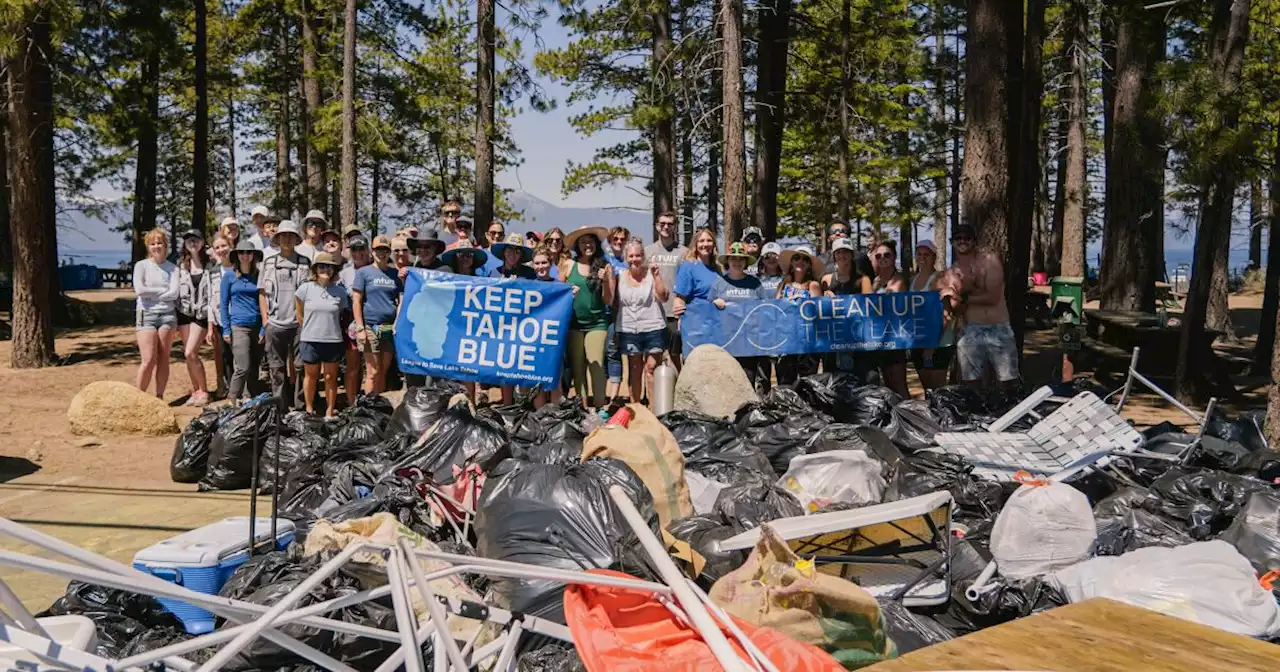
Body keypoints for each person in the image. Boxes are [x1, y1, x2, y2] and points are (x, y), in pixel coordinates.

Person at [948, 224, 1019, 389]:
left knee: (1008, 381)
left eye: (967, 238)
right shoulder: (952, 271)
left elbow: (992, 297)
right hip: (970, 329)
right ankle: (976, 413)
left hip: (998, 327)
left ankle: (1013, 411)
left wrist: (964, 296)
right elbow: (955, 306)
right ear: (952, 242)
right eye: (958, 238)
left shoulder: (989, 261)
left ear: (974, 241)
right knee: (970, 383)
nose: (962, 241)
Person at [561, 226, 615, 409]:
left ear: (596, 244)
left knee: (596, 364)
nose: (587, 245)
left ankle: (600, 407)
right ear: (578, 245)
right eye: (583, 242)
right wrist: (569, 294)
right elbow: (557, 294)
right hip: (574, 324)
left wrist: (606, 281)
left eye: (590, 241)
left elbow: (608, 299)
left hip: (597, 324)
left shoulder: (605, 267)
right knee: (577, 368)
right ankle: (582, 407)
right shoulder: (568, 265)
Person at [259, 220, 311, 404]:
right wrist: (265, 320)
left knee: (300, 366)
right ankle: (279, 405)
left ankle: (300, 405)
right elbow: (262, 293)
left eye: (291, 235)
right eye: (283, 235)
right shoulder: (268, 262)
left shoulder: (305, 262)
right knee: (276, 367)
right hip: (275, 323)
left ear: (296, 238)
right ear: (278, 238)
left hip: (299, 324)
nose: (287, 239)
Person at [614, 238, 669, 405]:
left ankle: (654, 408)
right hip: (629, 329)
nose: (634, 259)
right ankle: (636, 407)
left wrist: (657, 276)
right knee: (635, 369)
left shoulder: (652, 274)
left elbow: (663, 297)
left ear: (643, 256)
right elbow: (615, 303)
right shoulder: (620, 277)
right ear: (625, 257)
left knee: (651, 368)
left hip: (653, 327)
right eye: (630, 256)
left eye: (638, 255)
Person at [295, 252, 349, 418]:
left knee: (330, 377)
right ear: (315, 269)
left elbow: (341, 314)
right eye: (322, 266)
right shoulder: (305, 289)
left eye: (330, 267)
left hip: (333, 339)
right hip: (310, 339)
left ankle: (330, 410)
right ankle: (309, 409)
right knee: (311, 376)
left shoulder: (340, 291)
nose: (326, 270)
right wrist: (310, 329)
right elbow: (299, 314)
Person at [714, 242, 769, 391]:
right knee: (727, 382)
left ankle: (746, 413)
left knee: (747, 382)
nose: (737, 262)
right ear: (727, 261)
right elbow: (708, 312)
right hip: (726, 342)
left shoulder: (754, 283)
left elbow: (765, 309)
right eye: (733, 259)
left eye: (741, 259)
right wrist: (714, 303)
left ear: (745, 262)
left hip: (748, 343)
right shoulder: (720, 283)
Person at [353, 236, 403, 394]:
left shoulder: (395, 274)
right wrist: (360, 327)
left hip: (389, 328)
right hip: (370, 326)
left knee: (383, 371)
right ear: (372, 251)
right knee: (372, 372)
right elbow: (357, 301)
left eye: (385, 250)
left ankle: (378, 408)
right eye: (378, 250)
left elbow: (401, 300)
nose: (382, 253)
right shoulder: (363, 273)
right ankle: (368, 408)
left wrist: (397, 323)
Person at [133, 228, 179, 399]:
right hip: (147, 314)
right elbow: (140, 290)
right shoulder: (141, 266)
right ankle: (139, 397)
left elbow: (174, 293)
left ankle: (159, 396)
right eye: (153, 243)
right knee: (148, 359)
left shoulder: (173, 268)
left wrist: (151, 293)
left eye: (159, 243)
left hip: (167, 316)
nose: (156, 246)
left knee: (163, 358)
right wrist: (162, 290)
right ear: (148, 247)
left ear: (165, 245)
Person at [821, 237, 875, 382]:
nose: (842, 255)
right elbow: (818, 310)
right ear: (834, 256)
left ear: (852, 255)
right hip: (833, 340)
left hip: (859, 340)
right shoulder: (826, 279)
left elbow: (870, 308)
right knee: (833, 381)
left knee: (865, 379)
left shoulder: (863, 280)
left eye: (846, 252)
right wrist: (825, 297)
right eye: (838, 252)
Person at [221, 240, 265, 402]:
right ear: (236, 256)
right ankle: (231, 399)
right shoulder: (229, 277)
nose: (245, 256)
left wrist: (264, 329)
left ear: (254, 255)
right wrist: (226, 329)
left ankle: (248, 397)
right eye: (241, 252)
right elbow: (224, 304)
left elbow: (264, 302)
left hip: (257, 325)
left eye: (248, 252)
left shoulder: (260, 276)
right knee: (242, 366)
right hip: (238, 326)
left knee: (254, 367)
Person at [909, 240, 955, 391]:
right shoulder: (912, 280)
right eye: (919, 254)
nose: (922, 257)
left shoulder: (940, 279)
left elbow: (946, 315)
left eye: (926, 254)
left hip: (939, 342)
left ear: (934, 257)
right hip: (918, 342)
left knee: (937, 391)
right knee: (927, 390)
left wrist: (932, 345)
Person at [775, 245, 823, 385]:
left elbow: (818, 312)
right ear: (791, 263)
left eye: (805, 259)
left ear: (809, 265)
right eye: (796, 258)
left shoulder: (813, 285)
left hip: (807, 343)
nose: (800, 261)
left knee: (807, 382)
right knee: (785, 382)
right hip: (786, 341)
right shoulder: (783, 285)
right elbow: (774, 309)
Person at [868, 240, 910, 398]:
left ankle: (909, 417)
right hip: (877, 338)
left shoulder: (899, 280)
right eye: (878, 256)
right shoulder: (875, 280)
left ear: (894, 257)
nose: (883, 258)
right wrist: (874, 288)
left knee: (899, 385)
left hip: (895, 339)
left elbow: (898, 307)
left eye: (887, 255)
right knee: (888, 386)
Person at [645, 212, 687, 369]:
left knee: (675, 356)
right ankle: (650, 393)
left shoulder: (683, 252)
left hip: (674, 313)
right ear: (656, 226)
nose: (666, 227)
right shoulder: (648, 251)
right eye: (662, 224)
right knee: (651, 359)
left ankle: (677, 391)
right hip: (652, 312)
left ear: (675, 227)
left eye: (670, 224)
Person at [176, 230, 211, 406]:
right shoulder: (181, 265)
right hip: (183, 313)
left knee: (191, 352)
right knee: (187, 355)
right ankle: (196, 390)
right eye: (189, 240)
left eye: (196, 240)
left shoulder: (209, 264)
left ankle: (204, 391)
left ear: (202, 242)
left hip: (201, 314)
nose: (192, 243)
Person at [529, 245, 564, 408]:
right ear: (532, 265)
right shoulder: (527, 286)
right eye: (537, 263)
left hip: (553, 340)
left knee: (554, 379)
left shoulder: (559, 287)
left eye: (544, 263)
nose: (541, 267)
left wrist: (571, 293)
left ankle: (556, 415)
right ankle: (540, 416)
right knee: (536, 380)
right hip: (533, 339)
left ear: (550, 264)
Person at [340, 234, 371, 404]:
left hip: (373, 322)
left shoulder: (376, 268)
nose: (358, 253)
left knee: (372, 370)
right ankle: (352, 404)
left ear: (367, 250)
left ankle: (369, 404)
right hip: (351, 325)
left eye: (361, 249)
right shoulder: (344, 274)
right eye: (354, 250)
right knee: (352, 368)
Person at [602, 226, 631, 400]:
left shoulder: (629, 261)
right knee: (602, 352)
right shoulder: (604, 259)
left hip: (622, 312)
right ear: (610, 240)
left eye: (622, 239)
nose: (619, 242)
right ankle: (601, 393)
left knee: (614, 351)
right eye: (616, 239)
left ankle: (613, 396)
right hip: (602, 311)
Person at [206, 234, 235, 398]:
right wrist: (210, 327)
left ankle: (244, 389)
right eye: (217, 247)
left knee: (241, 356)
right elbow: (210, 299)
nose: (221, 250)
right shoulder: (212, 271)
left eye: (224, 246)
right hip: (219, 321)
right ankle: (231, 390)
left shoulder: (239, 267)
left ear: (230, 245)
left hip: (238, 319)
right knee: (225, 358)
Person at [672, 227, 721, 320]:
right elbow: (680, 299)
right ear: (696, 244)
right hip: (695, 322)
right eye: (701, 241)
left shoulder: (718, 268)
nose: (705, 244)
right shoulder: (688, 267)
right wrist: (678, 313)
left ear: (714, 244)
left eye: (709, 241)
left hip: (716, 321)